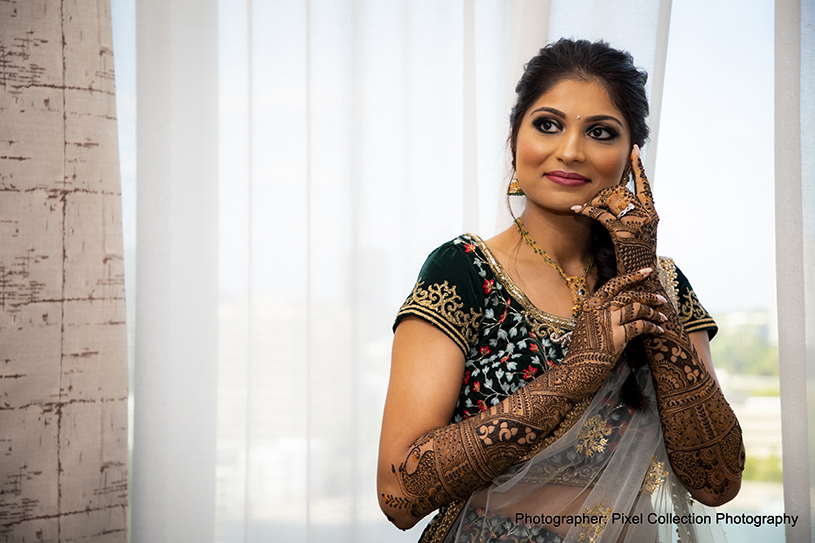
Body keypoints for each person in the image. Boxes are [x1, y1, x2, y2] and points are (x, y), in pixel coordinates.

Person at [377, 39, 744, 543]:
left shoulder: (664, 284)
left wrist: (640, 282)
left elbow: (718, 482)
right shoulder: (463, 271)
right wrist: (578, 372)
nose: (569, 150)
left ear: (632, 155)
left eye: (600, 132)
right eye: (548, 124)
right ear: (514, 138)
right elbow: (398, 494)